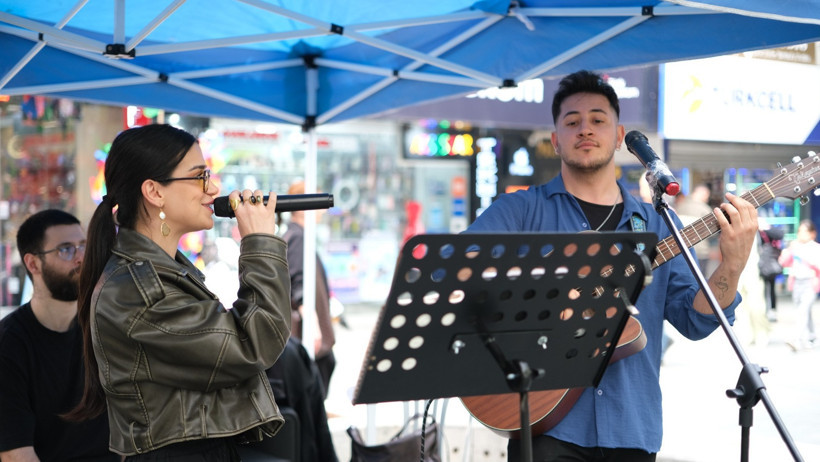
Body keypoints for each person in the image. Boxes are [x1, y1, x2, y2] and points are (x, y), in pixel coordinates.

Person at [465, 70, 758, 461]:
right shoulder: (520, 211)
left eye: (599, 119)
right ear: (555, 141)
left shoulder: (658, 225)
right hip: (543, 422)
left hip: (630, 427)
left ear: (620, 137)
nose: (585, 129)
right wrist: (547, 289)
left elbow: (696, 321)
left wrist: (732, 264)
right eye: (572, 122)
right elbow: (452, 273)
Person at [63, 124, 292, 459]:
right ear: (155, 192)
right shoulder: (136, 292)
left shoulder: (156, 274)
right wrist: (259, 243)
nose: (213, 188)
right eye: (200, 177)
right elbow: (254, 342)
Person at [0, 209, 118, 462]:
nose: (80, 258)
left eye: (83, 246)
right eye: (66, 249)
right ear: (33, 264)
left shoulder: (104, 326)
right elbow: (15, 455)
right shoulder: (10, 344)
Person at [281, 180, 336, 397]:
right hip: (305, 337)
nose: (321, 209)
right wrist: (313, 328)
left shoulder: (296, 236)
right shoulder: (297, 238)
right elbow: (299, 286)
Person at [778, 219, 820, 352]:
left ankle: (796, 339)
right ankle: (812, 336)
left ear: (812, 233)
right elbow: (784, 262)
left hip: (810, 284)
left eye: (805, 231)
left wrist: (802, 255)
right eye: (800, 231)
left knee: (802, 311)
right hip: (797, 283)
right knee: (804, 311)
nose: (801, 234)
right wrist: (789, 250)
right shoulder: (794, 246)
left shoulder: (815, 247)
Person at [675, 183, 716, 275]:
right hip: (701, 251)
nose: (707, 198)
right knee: (700, 282)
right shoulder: (705, 209)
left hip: (682, 250)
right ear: (703, 194)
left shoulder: (680, 206)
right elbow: (712, 232)